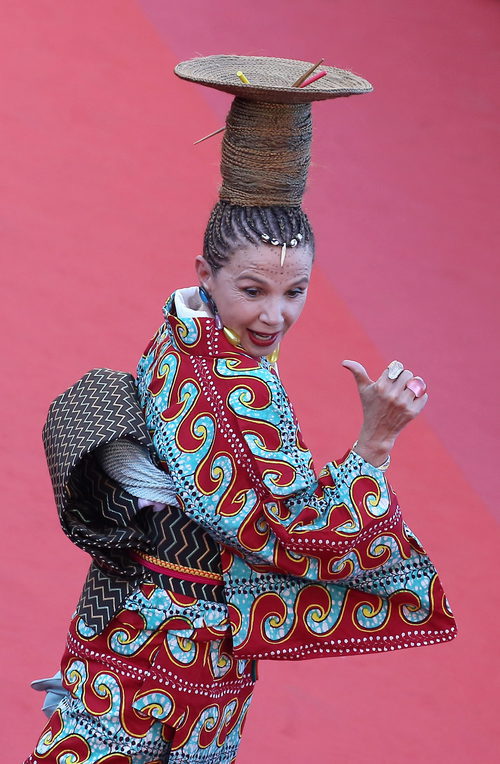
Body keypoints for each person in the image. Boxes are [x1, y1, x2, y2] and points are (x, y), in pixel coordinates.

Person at [25, 56, 456, 764]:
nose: (276, 317)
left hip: (131, 633)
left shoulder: (183, 328)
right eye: (253, 290)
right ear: (208, 274)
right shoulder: (230, 387)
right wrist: (374, 443)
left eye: (296, 292)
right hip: (179, 655)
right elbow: (298, 529)